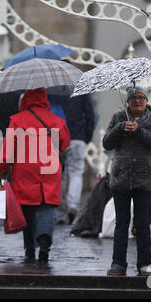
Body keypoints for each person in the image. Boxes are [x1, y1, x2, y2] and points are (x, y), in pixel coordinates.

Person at [0, 88, 70, 264]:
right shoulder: (57, 120)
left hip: (25, 171)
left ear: (25, 100)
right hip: (50, 170)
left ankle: (29, 248)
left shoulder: (17, 120)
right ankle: (44, 245)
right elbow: (64, 144)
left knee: (27, 210)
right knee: (47, 208)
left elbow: (8, 150)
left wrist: (1, 171)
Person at [103, 86, 151, 277]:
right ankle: (118, 265)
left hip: (145, 179)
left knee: (142, 223)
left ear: (146, 101)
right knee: (121, 222)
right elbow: (107, 143)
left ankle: (145, 265)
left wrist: (139, 131)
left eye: (141, 97)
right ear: (127, 101)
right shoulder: (118, 117)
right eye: (133, 98)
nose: (137, 100)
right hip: (121, 177)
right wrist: (120, 128)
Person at [53, 93, 96, 225]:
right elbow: (90, 115)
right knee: (76, 172)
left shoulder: (53, 89)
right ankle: (73, 206)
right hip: (77, 136)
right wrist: (86, 136)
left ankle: (59, 212)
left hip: (55, 135)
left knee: (57, 174)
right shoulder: (81, 91)